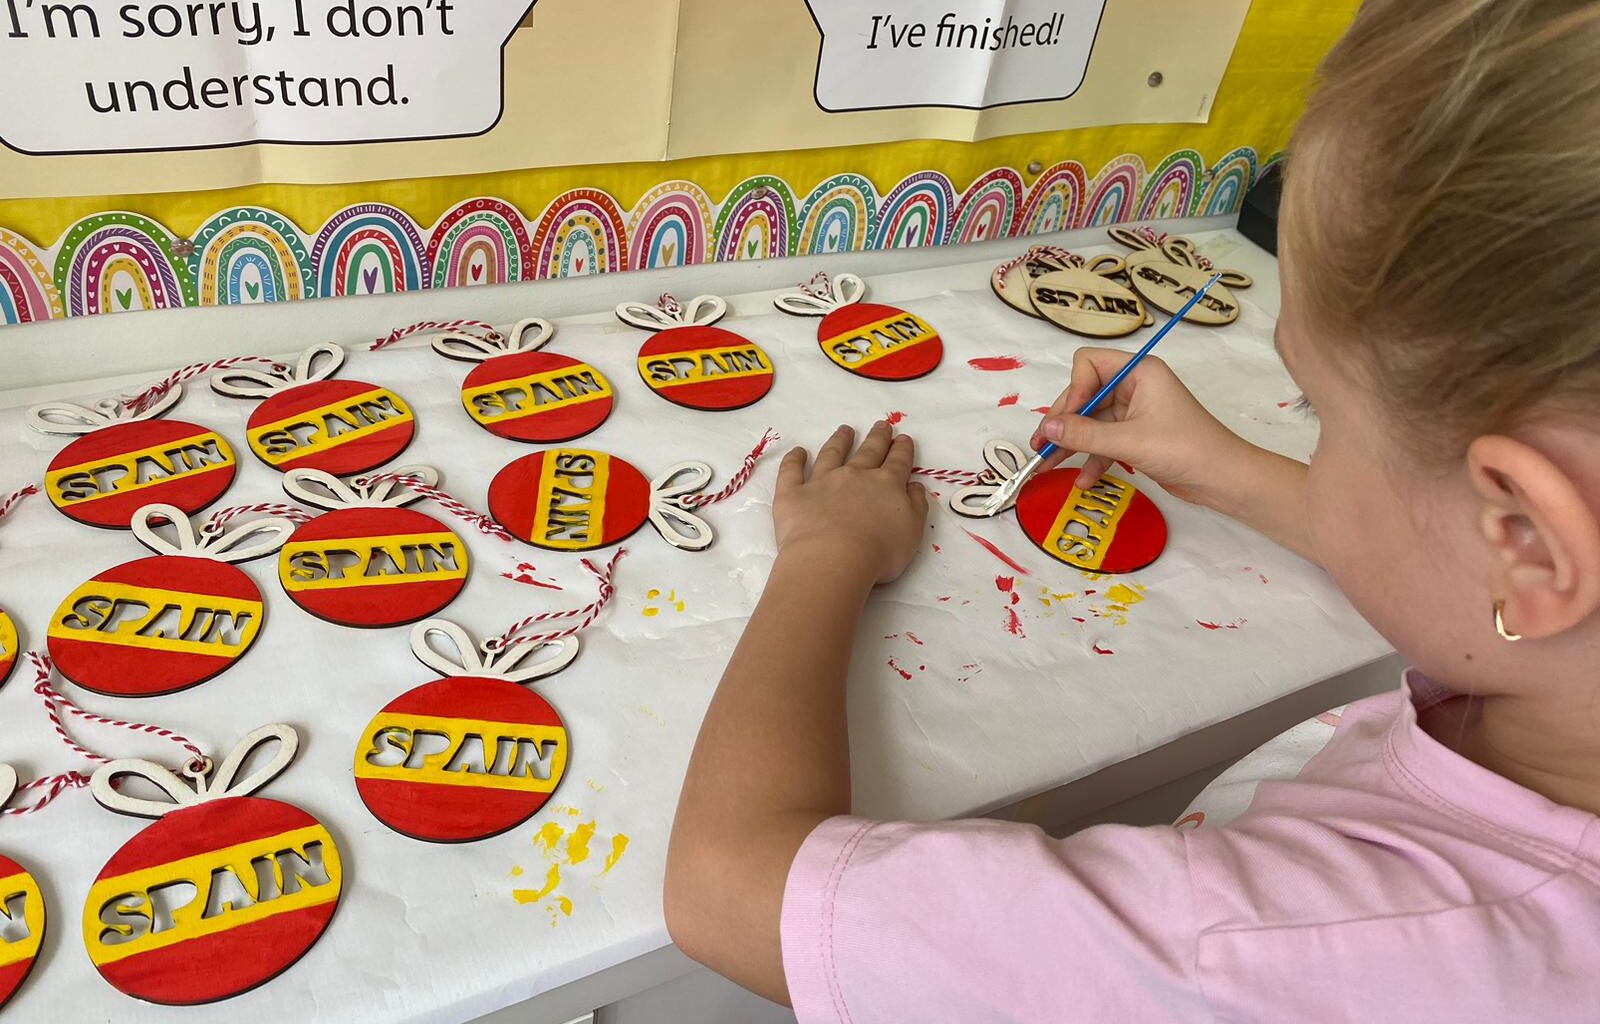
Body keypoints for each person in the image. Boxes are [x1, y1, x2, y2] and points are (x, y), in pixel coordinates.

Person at [664, 0, 1600, 1019]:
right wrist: (1228, 469)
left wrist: (825, 550)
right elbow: (1453, 574)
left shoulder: (1256, 946)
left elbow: (725, 884)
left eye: (1315, 414)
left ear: (1525, 540)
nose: (1304, 443)